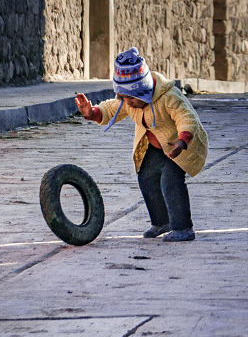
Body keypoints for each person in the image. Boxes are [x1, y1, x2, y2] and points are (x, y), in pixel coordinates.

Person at [75, 47, 208, 242]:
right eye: (124, 97)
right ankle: (161, 222)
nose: (128, 102)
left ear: (145, 89)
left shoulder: (169, 97)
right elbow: (112, 108)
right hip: (155, 146)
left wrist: (182, 139)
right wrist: (92, 112)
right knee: (146, 177)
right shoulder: (128, 101)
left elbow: (186, 118)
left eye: (132, 98)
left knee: (170, 181)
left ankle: (183, 228)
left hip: (180, 145)